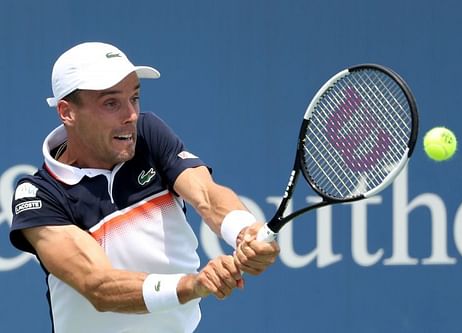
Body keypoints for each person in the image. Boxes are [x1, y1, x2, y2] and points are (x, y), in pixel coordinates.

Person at [9, 42, 279, 333]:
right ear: (67, 112)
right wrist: (194, 284)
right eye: (111, 103)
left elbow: (207, 195)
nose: (131, 115)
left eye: (134, 98)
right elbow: (98, 285)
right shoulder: (40, 195)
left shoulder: (148, 135)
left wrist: (244, 230)